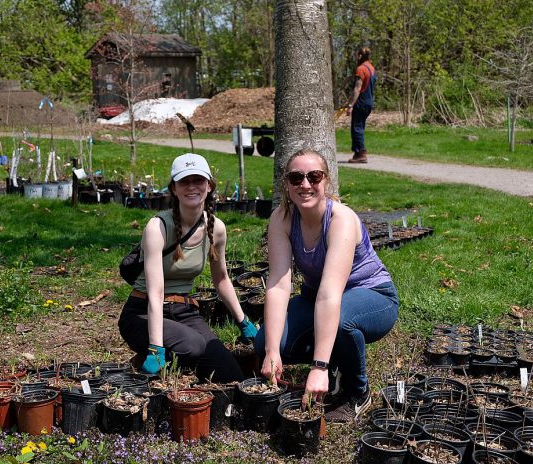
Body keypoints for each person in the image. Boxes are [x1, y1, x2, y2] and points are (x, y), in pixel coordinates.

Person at [254, 148, 398, 422]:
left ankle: (357, 391)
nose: (305, 184)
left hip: (372, 296)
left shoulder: (340, 220)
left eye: (314, 176)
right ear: (286, 184)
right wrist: (272, 352)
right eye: (296, 178)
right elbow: (278, 284)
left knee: (342, 321)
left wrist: (317, 366)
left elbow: (331, 295)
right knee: (265, 341)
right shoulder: (282, 218)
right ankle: (335, 361)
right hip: (316, 296)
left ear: (326, 181)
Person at [118, 153, 257, 383]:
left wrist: (244, 322)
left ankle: (183, 372)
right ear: (174, 188)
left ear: (209, 186)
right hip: (142, 312)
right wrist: (155, 347)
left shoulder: (217, 229)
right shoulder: (158, 227)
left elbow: (221, 279)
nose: (192, 187)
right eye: (184, 181)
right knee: (192, 346)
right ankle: (144, 363)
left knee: (229, 373)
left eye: (198, 180)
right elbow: (155, 293)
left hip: (184, 311)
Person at [347, 47, 377, 164]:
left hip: (361, 101)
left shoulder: (361, 69)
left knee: (357, 128)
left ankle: (361, 153)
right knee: (360, 127)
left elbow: (357, 88)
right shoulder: (371, 68)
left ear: (359, 56)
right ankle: (357, 153)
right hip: (369, 101)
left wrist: (350, 105)